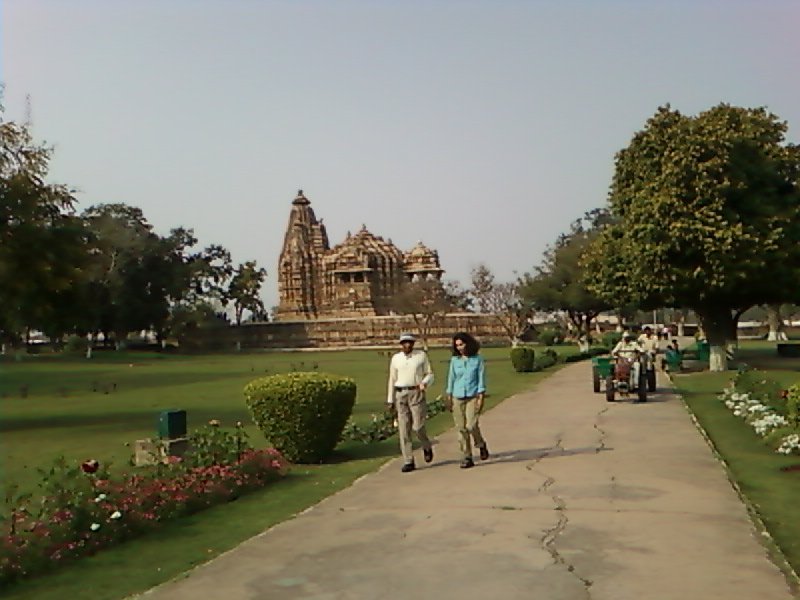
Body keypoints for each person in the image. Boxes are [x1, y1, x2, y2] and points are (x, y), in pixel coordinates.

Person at [386, 333, 435, 473]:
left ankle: (426, 445)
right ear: (401, 344)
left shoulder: (420, 356)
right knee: (403, 429)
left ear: (413, 344)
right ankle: (408, 460)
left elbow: (430, 373)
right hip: (400, 393)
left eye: (409, 343)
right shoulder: (396, 358)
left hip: (416, 392)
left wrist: (424, 383)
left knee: (418, 426)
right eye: (404, 343)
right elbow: (392, 379)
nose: (407, 345)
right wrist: (390, 399)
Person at [445, 332, 489, 469]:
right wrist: (449, 395)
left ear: (468, 344)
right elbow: (451, 378)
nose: (460, 348)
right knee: (461, 428)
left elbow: (481, 378)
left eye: (461, 344)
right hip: (457, 396)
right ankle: (467, 456)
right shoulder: (455, 360)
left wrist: (481, 396)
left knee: (471, 425)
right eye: (457, 345)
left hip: (472, 396)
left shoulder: (477, 359)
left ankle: (480, 444)